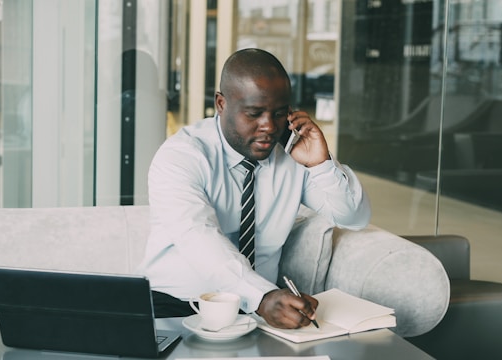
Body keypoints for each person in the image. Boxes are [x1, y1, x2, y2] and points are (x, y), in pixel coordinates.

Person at [137, 48, 371, 329]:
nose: (269, 127)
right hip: (174, 305)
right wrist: (261, 296)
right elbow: (198, 236)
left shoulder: (293, 153)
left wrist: (321, 164)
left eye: (279, 113)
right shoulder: (181, 156)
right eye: (254, 113)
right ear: (221, 103)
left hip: (256, 314)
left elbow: (354, 218)